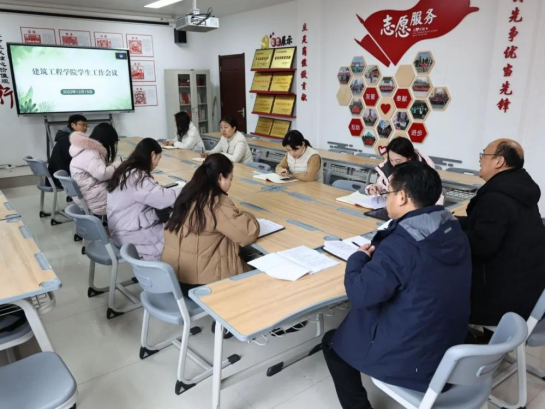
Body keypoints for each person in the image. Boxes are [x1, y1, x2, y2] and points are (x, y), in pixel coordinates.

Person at [323, 161, 471, 409]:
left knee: (332, 343)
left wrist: (358, 258)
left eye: (388, 193)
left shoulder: (401, 244)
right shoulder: (452, 228)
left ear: (402, 197)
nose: (386, 198)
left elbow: (360, 295)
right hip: (447, 343)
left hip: (417, 360)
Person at [458, 139, 545, 326]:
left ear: (499, 161)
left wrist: (446, 235)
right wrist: (454, 222)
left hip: (502, 301)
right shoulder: (518, 189)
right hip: (527, 289)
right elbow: (488, 225)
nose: (480, 159)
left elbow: (479, 246)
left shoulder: (497, 198)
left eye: (484, 154)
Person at [162, 153, 260, 296]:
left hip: (174, 279)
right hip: (200, 285)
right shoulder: (216, 202)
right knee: (260, 266)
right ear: (220, 177)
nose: (230, 184)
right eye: (230, 179)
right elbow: (247, 234)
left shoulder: (188, 192)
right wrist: (247, 215)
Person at [106, 138, 180, 261]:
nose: (157, 164)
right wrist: (189, 189)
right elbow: (163, 198)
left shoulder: (127, 169)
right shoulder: (136, 177)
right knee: (177, 237)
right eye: (159, 158)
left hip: (121, 226)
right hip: (129, 233)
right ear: (152, 155)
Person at [69, 123, 120, 215]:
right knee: (128, 195)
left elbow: (98, 168)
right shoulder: (91, 152)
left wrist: (112, 165)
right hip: (94, 200)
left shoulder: (85, 148)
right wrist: (116, 165)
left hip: (84, 194)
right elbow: (102, 174)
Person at [366, 137, 439, 198]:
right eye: (391, 160)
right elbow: (382, 184)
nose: (394, 164)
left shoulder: (425, 173)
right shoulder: (389, 166)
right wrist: (375, 188)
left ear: (409, 157)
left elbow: (432, 199)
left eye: (398, 161)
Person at [47, 114, 87, 188]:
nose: (85, 128)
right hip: (62, 179)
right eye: (83, 125)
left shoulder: (64, 135)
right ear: (73, 125)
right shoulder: (68, 139)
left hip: (58, 176)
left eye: (86, 125)